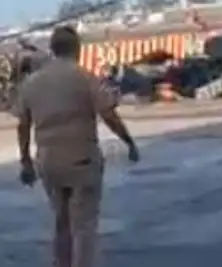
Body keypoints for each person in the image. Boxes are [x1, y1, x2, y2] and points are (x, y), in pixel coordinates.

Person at [15, 25, 140, 267]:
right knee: (83, 226)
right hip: (82, 161)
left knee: (61, 222)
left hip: (49, 162)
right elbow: (108, 114)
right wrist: (129, 142)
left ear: (52, 49)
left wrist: (25, 161)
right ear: (77, 49)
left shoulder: (32, 82)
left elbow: (23, 124)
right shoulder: (83, 77)